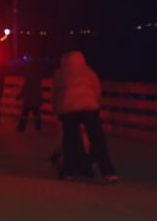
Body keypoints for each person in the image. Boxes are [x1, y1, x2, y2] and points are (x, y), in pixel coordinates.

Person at [51, 50, 118, 182]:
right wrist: (96, 105)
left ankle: (68, 171)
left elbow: (55, 93)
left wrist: (57, 110)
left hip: (68, 109)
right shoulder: (88, 72)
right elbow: (97, 89)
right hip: (89, 107)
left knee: (69, 140)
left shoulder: (60, 73)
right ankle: (108, 172)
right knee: (97, 140)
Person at [16, 59, 44, 133]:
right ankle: (38, 127)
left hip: (28, 100)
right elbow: (39, 89)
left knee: (25, 114)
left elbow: (25, 88)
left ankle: (21, 128)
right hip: (35, 99)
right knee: (36, 114)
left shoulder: (28, 77)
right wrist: (40, 98)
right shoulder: (37, 77)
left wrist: (19, 96)